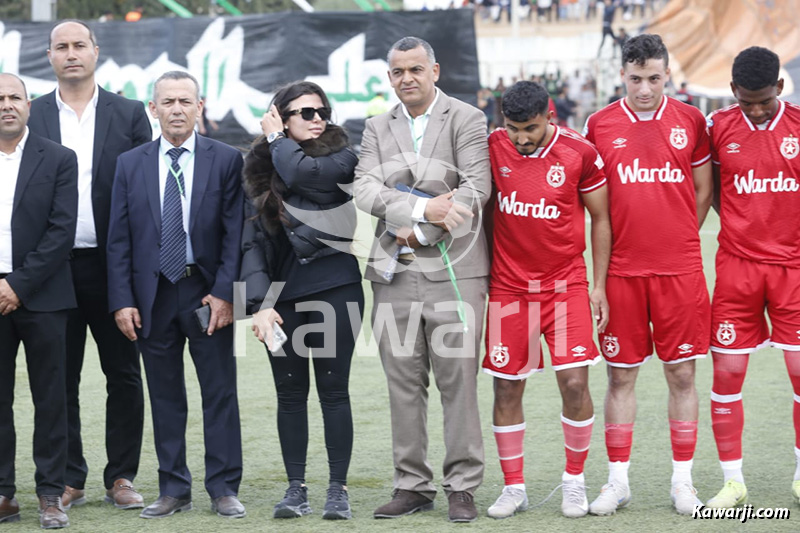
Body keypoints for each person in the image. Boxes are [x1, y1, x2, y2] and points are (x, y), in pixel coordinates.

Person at [353, 36, 491, 523]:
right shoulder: (375, 126)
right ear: (389, 77)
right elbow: (365, 187)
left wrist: (423, 230)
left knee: (458, 381)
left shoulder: (468, 118)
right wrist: (417, 207)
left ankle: (462, 486)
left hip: (456, 269)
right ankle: (411, 485)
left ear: (435, 70)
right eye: (397, 72)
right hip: (392, 276)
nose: (406, 78)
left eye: (415, 69)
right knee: (402, 383)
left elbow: (477, 186)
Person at [583, 33, 713, 515]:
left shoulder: (691, 120)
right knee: (620, 376)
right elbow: (593, 204)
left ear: (667, 75)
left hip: (679, 271)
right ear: (622, 75)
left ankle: (683, 482)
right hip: (621, 273)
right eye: (635, 79)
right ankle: (618, 481)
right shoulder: (598, 124)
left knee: (682, 374)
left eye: (654, 79)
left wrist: (677, 236)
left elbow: (702, 191)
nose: (644, 89)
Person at [106, 71, 245, 520]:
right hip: (153, 295)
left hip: (205, 293)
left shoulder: (226, 159)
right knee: (165, 396)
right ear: (154, 109)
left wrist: (225, 294)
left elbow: (235, 235)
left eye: (186, 101)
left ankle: (223, 487)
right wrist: (122, 300)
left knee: (219, 392)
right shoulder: (131, 164)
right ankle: (173, 488)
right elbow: (119, 240)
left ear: (200, 106)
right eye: (168, 102)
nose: (178, 109)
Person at [27, 19, 152, 511]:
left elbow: (143, 194)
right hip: (50, 269)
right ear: (51, 55)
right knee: (60, 378)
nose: (72, 53)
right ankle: (68, 477)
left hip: (113, 266)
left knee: (123, 372)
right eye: (62, 46)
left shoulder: (129, 113)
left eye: (80, 45)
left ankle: (121, 475)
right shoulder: (31, 114)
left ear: (96, 51)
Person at [482, 81, 611, 519]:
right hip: (508, 289)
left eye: (530, 129)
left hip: (566, 285)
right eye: (513, 128)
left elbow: (601, 218)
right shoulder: (492, 146)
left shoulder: (580, 152)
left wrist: (597, 286)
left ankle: (574, 482)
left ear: (549, 117)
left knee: (575, 383)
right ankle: (513, 487)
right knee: (506, 384)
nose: (520, 138)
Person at [240, 81, 365, 520]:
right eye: (305, 112)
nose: (317, 119)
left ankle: (338, 489)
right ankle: (296, 489)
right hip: (281, 301)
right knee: (289, 395)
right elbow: (251, 243)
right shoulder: (257, 168)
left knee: (334, 392)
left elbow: (299, 175)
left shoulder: (342, 157)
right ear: (281, 116)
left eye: (321, 110)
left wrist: (276, 139)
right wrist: (258, 305)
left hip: (336, 289)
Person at [704, 47, 800, 508]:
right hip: (737, 269)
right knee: (727, 373)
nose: (756, 109)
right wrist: (745, 225)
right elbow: (717, 191)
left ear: (779, 88)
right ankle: (733, 481)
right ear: (733, 92)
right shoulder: (719, 128)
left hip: (794, 270)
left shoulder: (799, 126)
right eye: (747, 101)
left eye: (764, 100)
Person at [0, 73, 78, 529]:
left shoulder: (58, 159)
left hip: (44, 296)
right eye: (0, 98)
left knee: (51, 397)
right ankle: (3, 493)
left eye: (15, 97)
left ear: (30, 105)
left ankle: (51, 494)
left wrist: (17, 286)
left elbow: (60, 232)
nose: (7, 105)